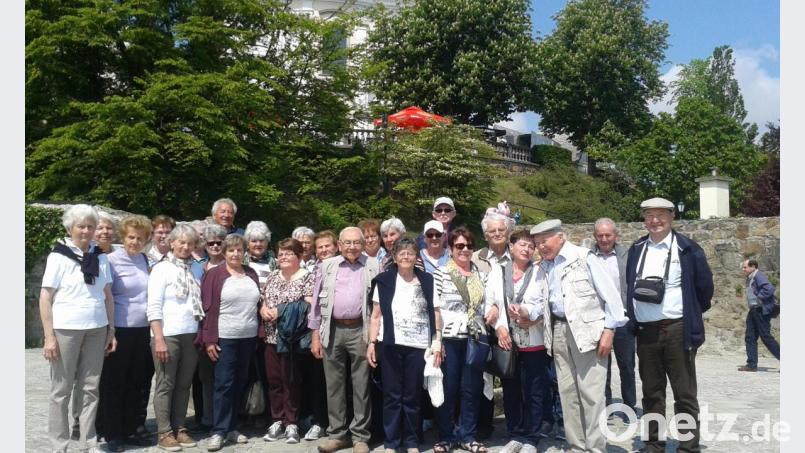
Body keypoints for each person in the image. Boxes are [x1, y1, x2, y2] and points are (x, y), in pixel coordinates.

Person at [624, 198, 714, 453]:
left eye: (660, 215)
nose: (654, 221)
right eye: (649, 216)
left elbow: (704, 289)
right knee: (652, 393)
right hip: (646, 332)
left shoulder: (687, 248)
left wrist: (690, 313)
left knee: (684, 393)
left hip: (677, 329)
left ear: (672, 217)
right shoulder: (637, 248)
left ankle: (688, 446)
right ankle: (654, 444)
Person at [531, 219, 628, 453]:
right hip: (559, 332)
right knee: (567, 394)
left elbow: (612, 299)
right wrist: (524, 312)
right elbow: (542, 303)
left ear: (561, 237)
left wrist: (609, 330)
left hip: (588, 333)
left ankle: (596, 448)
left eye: (545, 241)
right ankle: (576, 447)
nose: (541, 247)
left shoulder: (584, 258)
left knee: (592, 394)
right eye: (537, 243)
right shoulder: (544, 266)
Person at [40, 204, 117, 453]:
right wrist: (49, 336)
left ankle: (89, 442)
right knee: (61, 390)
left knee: (90, 388)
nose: (86, 231)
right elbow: (45, 297)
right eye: (81, 226)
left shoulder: (100, 257)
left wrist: (111, 330)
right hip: (66, 330)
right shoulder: (59, 256)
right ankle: (59, 445)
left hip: (97, 328)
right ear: (70, 228)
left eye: (90, 226)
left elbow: (107, 296)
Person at [367, 238, 444, 453]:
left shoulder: (427, 280)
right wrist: (371, 343)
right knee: (392, 395)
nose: (406, 256)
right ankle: (391, 442)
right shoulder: (383, 281)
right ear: (394, 257)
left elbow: (436, 313)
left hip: (419, 345)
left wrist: (437, 341)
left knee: (412, 395)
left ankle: (411, 441)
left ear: (416, 256)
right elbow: (375, 315)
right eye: (401, 252)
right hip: (390, 343)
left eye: (410, 252)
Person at [308, 227, 380, 453]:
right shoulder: (327, 266)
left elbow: (377, 305)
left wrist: (373, 339)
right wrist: (315, 334)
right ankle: (338, 434)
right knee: (334, 385)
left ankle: (360, 437)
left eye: (356, 242)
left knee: (361, 385)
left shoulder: (372, 265)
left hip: (361, 328)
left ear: (363, 244)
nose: (352, 247)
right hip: (333, 329)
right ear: (339, 244)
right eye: (347, 242)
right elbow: (317, 304)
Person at [432, 227, 502, 453]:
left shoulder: (481, 275)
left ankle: (468, 436)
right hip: (450, 338)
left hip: (476, 337)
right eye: (459, 246)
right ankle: (447, 436)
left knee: (471, 389)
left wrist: (493, 307)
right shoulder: (441, 273)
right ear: (450, 249)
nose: (464, 250)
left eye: (469, 246)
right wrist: (437, 339)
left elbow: (491, 301)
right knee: (448, 388)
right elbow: (436, 309)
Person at [197, 234, 261, 451]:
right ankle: (218, 430)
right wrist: (209, 339)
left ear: (245, 252)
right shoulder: (214, 275)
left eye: (239, 250)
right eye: (231, 250)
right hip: (225, 336)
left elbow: (258, 303)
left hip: (248, 337)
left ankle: (232, 427)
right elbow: (206, 309)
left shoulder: (251, 273)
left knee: (240, 383)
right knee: (223, 384)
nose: (236, 254)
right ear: (224, 253)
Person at [96, 215, 153, 452]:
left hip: (143, 330)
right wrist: (110, 331)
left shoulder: (145, 260)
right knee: (113, 382)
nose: (135, 242)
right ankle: (111, 432)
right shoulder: (110, 260)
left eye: (140, 238)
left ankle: (132, 427)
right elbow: (103, 297)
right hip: (119, 329)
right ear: (123, 236)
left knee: (138, 381)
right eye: (131, 237)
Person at [486, 230, 547, 453]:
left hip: (533, 339)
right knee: (511, 389)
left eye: (531, 246)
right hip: (507, 340)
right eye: (522, 244)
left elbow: (544, 302)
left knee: (534, 390)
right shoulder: (498, 272)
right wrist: (500, 328)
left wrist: (529, 314)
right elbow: (491, 302)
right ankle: (515, 434)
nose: (527, 249)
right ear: (511, 247)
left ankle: (532, 437)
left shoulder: (540, 272)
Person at [147, 224, 203, 451]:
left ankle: (180, 427)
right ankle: (164, 432)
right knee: (165, 384)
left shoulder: (194, 269)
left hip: (191, 333)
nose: (185, 246)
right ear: (172, 243)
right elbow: (153, 305)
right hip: (167, 334)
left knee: (184, 384)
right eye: (181, 242)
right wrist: (158, 338)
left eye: (189, 243)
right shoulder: (162, 269)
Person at [259, 238, 316, 444]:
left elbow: (308, 306)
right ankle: (277, 420)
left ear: (299, 257)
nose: (283, 256)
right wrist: (263, 309)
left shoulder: (307, 278)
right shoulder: (273, 276)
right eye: (280, 253)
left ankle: (292, 421)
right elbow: (264, 298)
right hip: (272, 338)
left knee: (291, 380)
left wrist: (279, 311)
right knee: (274, 381)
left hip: (293, 340)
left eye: (288, 253)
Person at [471, 208, 514, 439]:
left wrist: (499, 307)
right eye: (492, 231)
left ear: (508, 232)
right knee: (484, 375)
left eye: (501, 229)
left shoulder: (517, 254)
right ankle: (484, 424)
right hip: (482, 324)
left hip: (511, 324)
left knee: (510, 371)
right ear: (485, 235)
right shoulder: (475, 258)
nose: (497, 233)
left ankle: (515, 424)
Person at [590, 217, 636, 414]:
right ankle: (605, 405)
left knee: (627, 364)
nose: (604, 239)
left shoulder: (627, 255)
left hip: (623, 318)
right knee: (602, 365)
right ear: (595, 236)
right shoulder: (588, 256)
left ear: (615, 236)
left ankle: (629, 405)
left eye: (608, 235)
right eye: (600, 235)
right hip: (599, 318)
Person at [190, 222, 228, 433]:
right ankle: (207, 417)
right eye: (210, 242)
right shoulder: (199, 266)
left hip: (227, 327)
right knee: (205, 377)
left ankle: (226, 417)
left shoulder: (231, 265)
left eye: (218, 242)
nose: (214, 246)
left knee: (225, 377)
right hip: (202, 327)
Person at [739, 259, 780, 371]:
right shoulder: (751, 277)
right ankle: (752, 364)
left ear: (753, 266)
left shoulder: (758, 275)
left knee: (766, 337)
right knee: (750, 337)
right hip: (754, 310)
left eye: (745, 267)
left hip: (760, 310)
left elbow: (769, 288)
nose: (743, 269)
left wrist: (758, 299)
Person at [244, 220, 277, 289]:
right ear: (247, 244)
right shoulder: (241, 262)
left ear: (267, 242)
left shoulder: (276, 264)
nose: (258, 244)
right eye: (254, 241)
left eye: (261, 240)